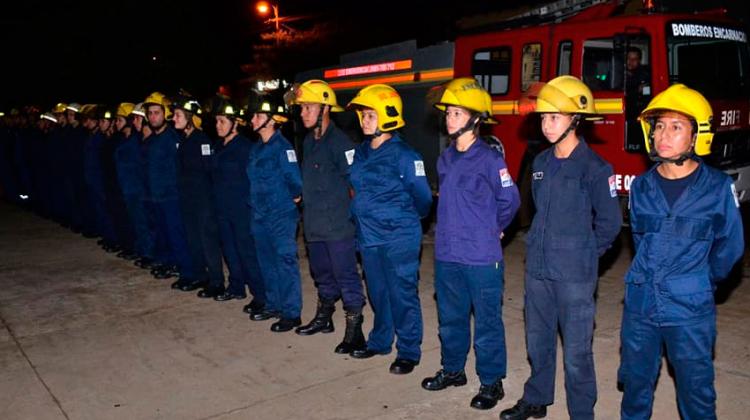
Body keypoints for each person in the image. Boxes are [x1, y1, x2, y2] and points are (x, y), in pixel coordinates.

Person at [619, 84, 744, 420]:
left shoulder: (718, 188)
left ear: (696, 136)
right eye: (659, 125)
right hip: (641, 306)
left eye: (675, 127)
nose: (663, 135)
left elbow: (730, 248)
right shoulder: (642, 187)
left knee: (697, 395)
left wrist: (699, 281)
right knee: (634, 389)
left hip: (689, 310)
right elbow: (641, 243)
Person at [500, 75, 622, 420]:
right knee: (538, 341)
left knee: (576, 353)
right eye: (543, 117)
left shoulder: (596, 168)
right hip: (538, 269)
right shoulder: (539, 164)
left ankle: (581, 412)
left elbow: (610, 224)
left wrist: (583, 254)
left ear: (575, 120)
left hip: (575, 276)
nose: (546, 124)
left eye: (554, 117)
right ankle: (537, 398)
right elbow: (538, 210)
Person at [421, 78, 520, 410]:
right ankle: (453, 370)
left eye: (457, 113)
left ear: (476, 119)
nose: (449, 119)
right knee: (451, 317)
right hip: (448, 253)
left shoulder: (491, 159)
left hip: (480, 256)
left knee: (487, 321)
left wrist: (495, 228)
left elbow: (510, 200)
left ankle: (491, 381)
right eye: (448, 113)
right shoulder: (445, 158)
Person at [346, 84, 432, 375]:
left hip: (399, 238)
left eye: (370, 115)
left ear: (388, 116)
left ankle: (408, 350)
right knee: (378, 292)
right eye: (363, 115)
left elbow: (423, 199)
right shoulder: (360, 153)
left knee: (402, 294)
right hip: (368, 236)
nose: (364, 120)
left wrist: (404, 222)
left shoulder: (407, 156)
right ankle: (380, 341)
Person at [292, 79, 367, 354]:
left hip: (337, 225)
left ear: (325, 108)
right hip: (314, 223)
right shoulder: (309, 141)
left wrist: (355, 219)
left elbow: (354, 182)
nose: (302, 113)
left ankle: (354, 330)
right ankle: (324, 319)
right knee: (321, 273)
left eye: (308, 107)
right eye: (301, 108)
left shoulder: (340, 142)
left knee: (346, 275)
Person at [246, 97, 303, 332]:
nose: (252, 120)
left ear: (271, 121)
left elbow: (296, 184)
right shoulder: (256, 147)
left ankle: (291, 313)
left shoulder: (284, 148)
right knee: (266, 262)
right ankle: (273, 304)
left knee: (285, 262)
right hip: (259, 214)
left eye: (258, 116)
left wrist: (286, 203)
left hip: (280, 215)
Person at [171, 96, 225, 293]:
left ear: (190, 118)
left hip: (203, 202)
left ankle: (217, 282)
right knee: (193, 240)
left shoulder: (201, 141)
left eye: (177, 115)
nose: (173, 119)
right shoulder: (184, 141)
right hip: (188, 201)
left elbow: (210, 172)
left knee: (207, 241)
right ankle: (201, 277)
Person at [142, 92, 195, 285]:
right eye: (150, 113)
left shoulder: (172, 138)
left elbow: (179, 169)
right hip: (153, 196)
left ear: (165, 114)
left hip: (171, 197)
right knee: (161, 234)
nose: (153, 117)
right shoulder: (150, 141)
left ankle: (187, 272)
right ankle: (168, 262)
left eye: (157, 112)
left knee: (176, 234)